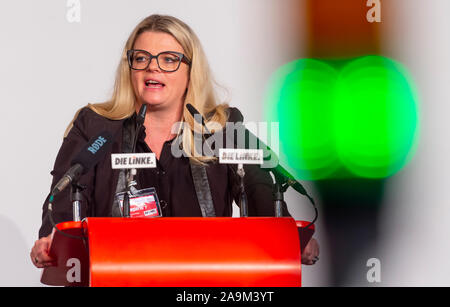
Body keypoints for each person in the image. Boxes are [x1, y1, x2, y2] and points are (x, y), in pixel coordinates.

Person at [30, 14, 319, 269]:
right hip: (116, 275)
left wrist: (290, 236)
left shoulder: (220, 126)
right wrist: (52, 238)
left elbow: (258, 189)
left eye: (169, 59)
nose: (152, 68)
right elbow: (64, 194)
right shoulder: (95, 126)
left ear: (191, 70)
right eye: (141, 58)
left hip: (205, 282)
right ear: (130, 67)